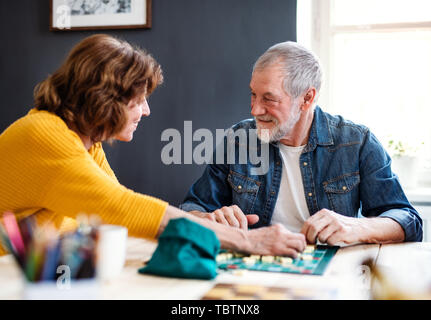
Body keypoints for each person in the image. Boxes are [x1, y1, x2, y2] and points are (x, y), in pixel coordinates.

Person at [0, 34, 306, 257]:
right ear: (106, 99)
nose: (146, 111)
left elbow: (119, 212)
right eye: (139, 100)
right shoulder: (43, 135)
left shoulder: (82, 141)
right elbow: (125, 209)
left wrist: (205, 227)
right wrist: (248, 241)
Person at [181, 41, 423, 245]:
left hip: (331, 274)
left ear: (307, 98)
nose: (254, 109)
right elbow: (192, 207)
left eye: (269, 99)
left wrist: (356, 227)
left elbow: (407, 220)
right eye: (253, 94)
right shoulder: (238, 140)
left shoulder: (357, 142)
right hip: (254, 267)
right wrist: (210, 218)